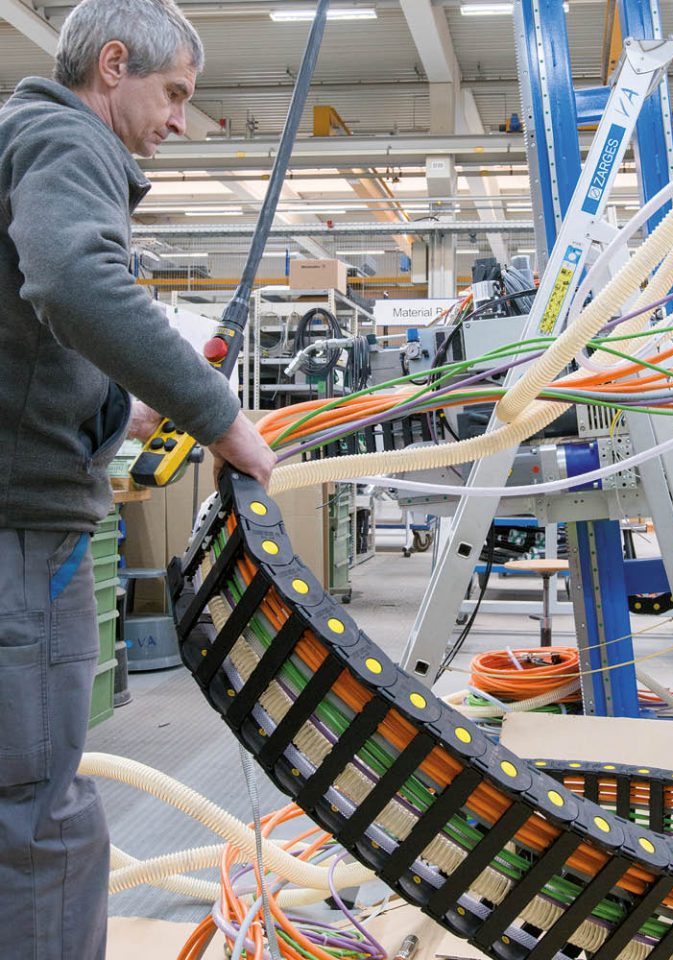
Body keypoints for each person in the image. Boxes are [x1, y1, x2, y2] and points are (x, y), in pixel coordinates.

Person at [0, 0, 276, 955]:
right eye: (174, 94)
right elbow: (75, 283)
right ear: (112, 65)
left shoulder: (17, 140)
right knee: (36, 812)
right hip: (23, 533)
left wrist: (123, 407)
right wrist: (220, 416)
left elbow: (26, 344)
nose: (179, 121)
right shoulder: (67, 141)